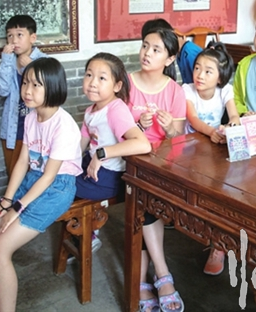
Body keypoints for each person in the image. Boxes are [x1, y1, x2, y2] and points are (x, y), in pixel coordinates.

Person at [0, 57, 82, 312]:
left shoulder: (64, 126)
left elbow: (49, 177)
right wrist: (6, 201)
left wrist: (17, 208)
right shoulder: (31, 117)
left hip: (57, 188)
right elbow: (22, 162)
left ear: (53, 87)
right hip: (33, 180)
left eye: (35, 85)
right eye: (25, 83)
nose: (27, 91)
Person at [129, 23, 186, 312]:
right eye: (145, 46)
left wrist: (168, 127)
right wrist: (138, 127)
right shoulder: (126, 83)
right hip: (130, 160)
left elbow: (177, 135)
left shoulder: (175, 91)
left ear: (170, 58)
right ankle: (162, 275)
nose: (147, 53)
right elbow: (115, 130)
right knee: (146, 199)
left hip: (161, 164)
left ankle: (141, 280)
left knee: (148, 197)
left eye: (156, 49)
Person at [74, 52, 151, 250]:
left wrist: (102, 153)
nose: (92, 83)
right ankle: (84, 226)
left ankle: (88, 230)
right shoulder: (91, 110)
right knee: (58, 178)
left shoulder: (115, 109)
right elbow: (81, 145)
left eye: (102, 78)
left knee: (63, 187)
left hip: (110, 177)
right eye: (89, 75)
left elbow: (143, 144)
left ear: (117, 86)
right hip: (92, 167)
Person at [182, 42, 240, 276]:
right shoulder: (187, 90)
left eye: (208, 71)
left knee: (224, 189)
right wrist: (212, 132)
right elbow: (193, 120)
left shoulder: (225, 91)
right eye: (197, 68)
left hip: (215, 148)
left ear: (220, 78)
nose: (200, 75)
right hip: (190, 149)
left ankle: (219, 244)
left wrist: (232, 125)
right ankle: (201, 229)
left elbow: (234, 114)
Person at [0, 14, 47, 177]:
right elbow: (1, 90)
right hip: (12, 129)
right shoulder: (9, 61)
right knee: (14, 175)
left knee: (34, 175)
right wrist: (5, 61)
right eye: (10, 36)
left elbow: (50, 93)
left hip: (37, 130)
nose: (14, 41)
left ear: (32, 38)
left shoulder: (45, 61)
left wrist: (32, 67)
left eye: (19, 35)